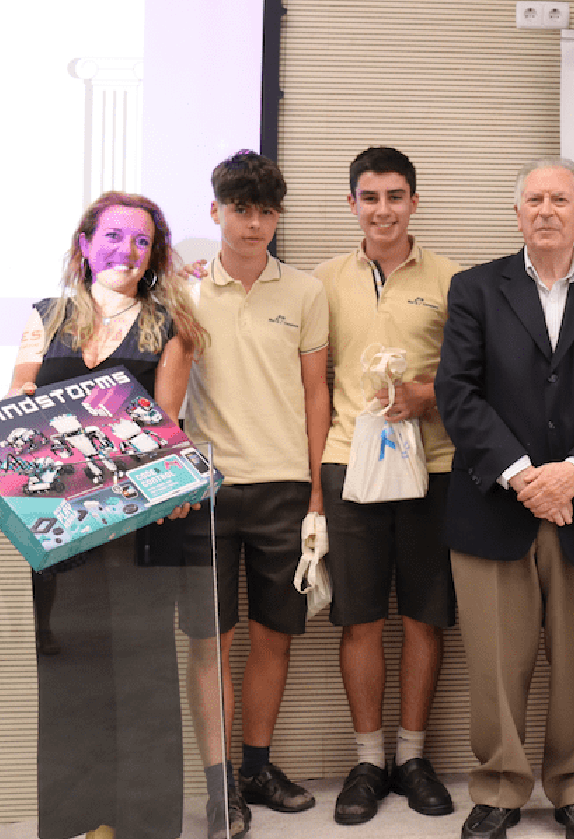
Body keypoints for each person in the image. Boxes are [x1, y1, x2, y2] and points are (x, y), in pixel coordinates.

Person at [434, 157, 574, 839]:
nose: (547, 210)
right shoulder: (475, 289)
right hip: (494, 503)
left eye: (561, 198)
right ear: (518, 213)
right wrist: (525, 474)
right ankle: (498, 786)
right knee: (496, 657)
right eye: (534, 199)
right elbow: (456, 393)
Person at [7, 191, 207, 839]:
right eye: (116, 236)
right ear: (86, 243)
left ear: (154, 255)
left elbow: (168, 426)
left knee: (146, 673)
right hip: (62, 529)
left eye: (143, 241)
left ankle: (145, 823)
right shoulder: (43, 315)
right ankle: (76, 819)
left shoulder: (170, 326)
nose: (128, 249)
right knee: (67, 672)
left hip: (142, 525)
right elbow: (20, 399)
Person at [181, 150, 330, 837]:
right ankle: (219, 790)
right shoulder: (183, 289)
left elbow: (315, 392)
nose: (254, 223)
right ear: (216, 211)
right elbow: (163, 390)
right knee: (211, 643)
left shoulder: (304, 291)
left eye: (267, 210)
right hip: (205, 489)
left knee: (275, 637)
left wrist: (318, 496)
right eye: (241, 208)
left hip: (284, 490)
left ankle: (257, 769)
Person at [313, 146, 460, 825]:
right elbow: (313, 386)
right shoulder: (323, 282)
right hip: (349, 466)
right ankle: (368, 759)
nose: (383, 209)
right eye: (369, 197)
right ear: (352, 205)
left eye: (395, 196)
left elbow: (468, 380)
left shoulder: (455, 281)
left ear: (415, 201)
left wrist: (427, 394)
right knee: (361, 616)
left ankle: (413, 755)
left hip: (432, 467)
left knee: (427, 614)